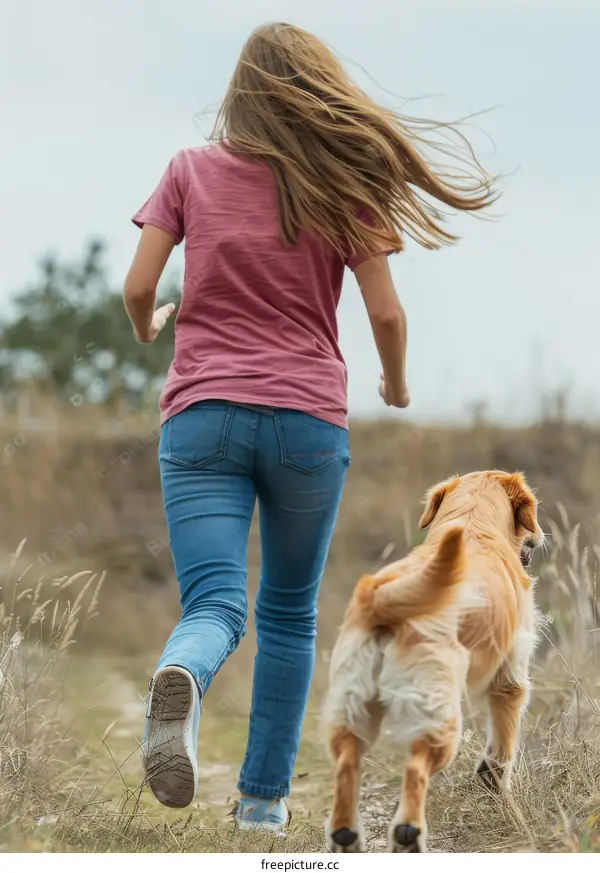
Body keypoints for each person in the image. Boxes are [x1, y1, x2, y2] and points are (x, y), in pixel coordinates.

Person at [123, 21, 497, 831]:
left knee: (216, 605)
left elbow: (138, 285)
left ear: (240, 94)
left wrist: (152, 324)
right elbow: (387, 314)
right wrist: (394, 384)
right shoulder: (339, 183)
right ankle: (261, 805)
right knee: (289, 612)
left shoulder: (189, 171)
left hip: (202, 417)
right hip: (306, 425)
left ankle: (182, 672)